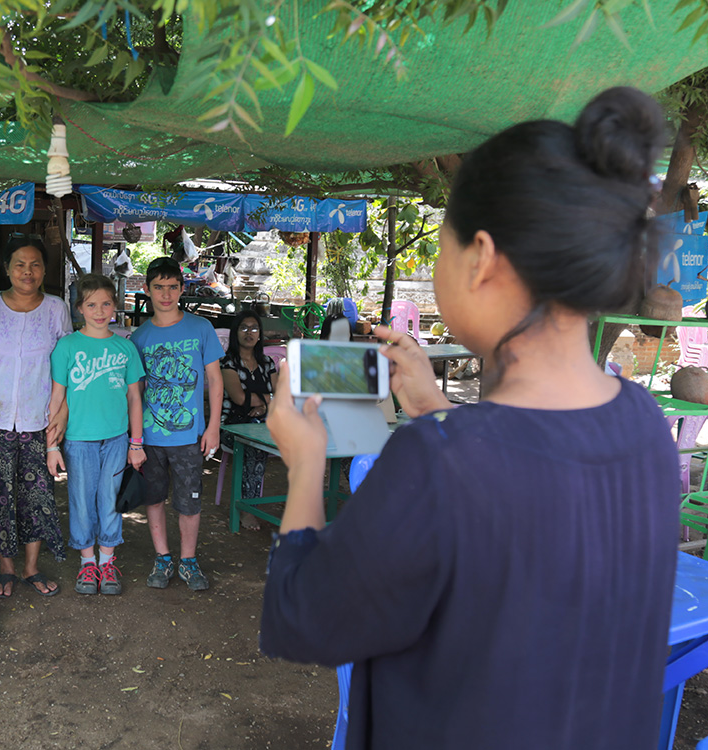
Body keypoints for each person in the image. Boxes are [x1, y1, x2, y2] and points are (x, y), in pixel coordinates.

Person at [261, 87, 681, 749]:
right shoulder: (642, 425)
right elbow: (534, 499)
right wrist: (434, 409)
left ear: (480, 257)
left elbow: (303, 619)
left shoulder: (440, 463)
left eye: (441, 246)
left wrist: (306, 463)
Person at [0, 237, 70, 598]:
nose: (27, 272)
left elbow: (66, 367)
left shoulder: (57, 309)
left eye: (35, 265)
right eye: (19, 265)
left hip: (39, 419)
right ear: (7, 268)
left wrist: (61, 416)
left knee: (37, 496)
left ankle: (31, 568)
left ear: (44, 270)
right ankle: (6, 569)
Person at [47, 274, 146, 596]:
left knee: (110, 501)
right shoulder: (67, 346)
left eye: (106, 304)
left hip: (117, 439)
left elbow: (134, 398)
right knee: (80, 502)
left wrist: (136, 442)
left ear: (115, 307)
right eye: (91, 304)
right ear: (79, 309)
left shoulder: (125, 347)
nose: (99, 311)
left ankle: (107, 562)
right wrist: (52, 445)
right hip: (77, 440)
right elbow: (57, 398)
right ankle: (87, 563)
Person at [130, 256, 224, 591]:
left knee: (189, 501)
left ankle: (188, 561)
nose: (166, 294)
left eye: (173, 287)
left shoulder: (201, 328)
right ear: (147, 289)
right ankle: (163, 557)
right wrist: (135, 440)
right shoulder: (139, 338)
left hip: (190, 438)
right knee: (153, 499)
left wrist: (213, 426)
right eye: (159, 287)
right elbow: (136, 394)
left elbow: (215, 380)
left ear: (183, 289)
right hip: (152, 439)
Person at [220, 312, 278, 531]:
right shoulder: (228, 362)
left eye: (254, 328)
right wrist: (267, 401)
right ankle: (246, 508)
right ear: (236, 333)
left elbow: (280, 397)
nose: (249, 332)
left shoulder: (267, 362)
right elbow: (240, 398)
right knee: (255, 445)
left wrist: (262, 406)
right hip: (232, 425)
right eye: (243, 328)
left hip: (262, 423)